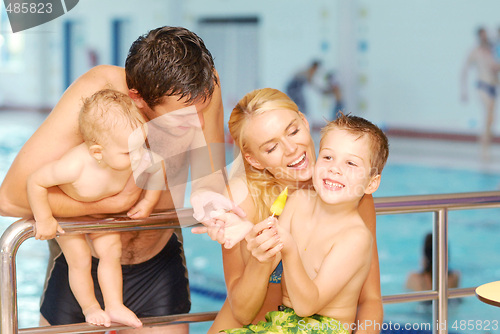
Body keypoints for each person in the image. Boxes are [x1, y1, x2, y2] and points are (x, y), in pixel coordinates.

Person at [0, 26, 226, 334]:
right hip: (84, 265)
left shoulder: (199, 86)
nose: (197, 124)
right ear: (137, 99)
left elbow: (211, 182)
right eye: (181, 119)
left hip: (158, 261)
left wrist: (219, 206)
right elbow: (9, 199)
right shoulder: (96, 97)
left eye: (201, 111)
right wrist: (115, 203)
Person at [193, 88, 384, 334]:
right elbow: (242, 312)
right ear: (254, 160)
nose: (291, 149)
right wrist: (257, 248)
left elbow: (370, 300)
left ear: (304, 122)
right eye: (271, 148)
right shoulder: (241, 201)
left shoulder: (351, 194)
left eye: (293, 131)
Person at [27, 89, 165, 328]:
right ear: (98, 152)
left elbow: (158, 166)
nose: (138, 156)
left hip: (101, 216)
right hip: (70, 218)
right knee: (79, 258)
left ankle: (114, 305)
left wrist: (147, 202)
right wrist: (44, 218)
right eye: (128, 152)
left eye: (140, 146)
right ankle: (90, 306)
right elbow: (35, 181)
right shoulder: (74, 166)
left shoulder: (136, 155)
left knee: (111, 251)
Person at [461, 27, 500, 161]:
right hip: (482, 86)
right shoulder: (475, 52)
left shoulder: (492, 51)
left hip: (493, 86)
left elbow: (495, 68)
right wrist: (464, 90)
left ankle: (485, 145)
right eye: (483, 36)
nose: (485, 38)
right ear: (479, 37)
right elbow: (464, 70)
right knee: (488, 115)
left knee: (491, 120)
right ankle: (484, 149)